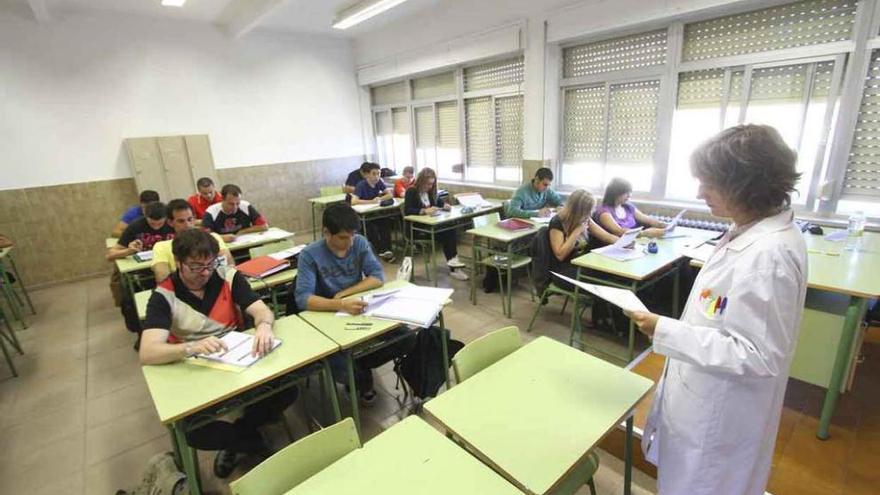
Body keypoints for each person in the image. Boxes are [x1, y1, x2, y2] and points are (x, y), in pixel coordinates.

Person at [628, 125, 807, 495]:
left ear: (744, 184)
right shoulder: (749, 234)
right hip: (702, 403)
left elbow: (757, 354)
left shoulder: (768, 256)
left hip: (719, 426)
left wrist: (664, 330)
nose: (699, 192)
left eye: (708, 182)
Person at [140, 229, 297, 478]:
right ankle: (249, 442)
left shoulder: (227, 276)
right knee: (193, 431)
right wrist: (190, 347)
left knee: (288, 388)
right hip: (197, 366)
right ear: (179, 262)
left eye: (209, 264)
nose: (204, 272)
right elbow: (148, 352)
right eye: (195, 267)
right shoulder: (164, 295)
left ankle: (242, 433)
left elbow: (261, 310)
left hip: (237, 356)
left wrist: (264, 325)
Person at [294, 203, 413, 405]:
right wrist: (340, 304)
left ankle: (361, 365)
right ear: (326, 233)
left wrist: (344, 295)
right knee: (343, 367)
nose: (349, 242)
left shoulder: (358, 242)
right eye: (342, 237)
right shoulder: (310, 254)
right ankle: (358, 377)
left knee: (406, 338)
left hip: (358, 308)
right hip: (328, 318)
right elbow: (303, 299)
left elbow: (377, 277)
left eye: (352, 235)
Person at [404, 167, 468, 281]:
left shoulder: (431, 192)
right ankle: (453, 264)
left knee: (450, 229)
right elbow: (407, 210)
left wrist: (445, 205)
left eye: (432, 184)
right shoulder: (411, 191)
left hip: (430, 227)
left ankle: (453, 264)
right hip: (416, 230)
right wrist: (423, 211)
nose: (429, 187)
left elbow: (438, 202)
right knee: (448, 232)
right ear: (421, 181)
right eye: (428, 184)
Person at [546, 190, 617, 291]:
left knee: (610, 278)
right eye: (588, 210)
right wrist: (577, 231)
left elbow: (606, 236)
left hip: (580, 263)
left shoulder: (584, 218)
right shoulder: (557, 222)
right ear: (578, 210)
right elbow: (560, 255)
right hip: (563, 271)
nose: (590, 213)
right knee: (603, 285)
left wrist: (624, 242)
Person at [151, 199, 234, 283]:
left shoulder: (213, 237)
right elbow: (162, 279)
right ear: (170, 222)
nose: (187, 225)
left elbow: (229, 266)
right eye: (181, 221)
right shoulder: (161, 247)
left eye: (190, 219)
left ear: (194, 219)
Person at [350, 162, 395, 262]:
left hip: (374, 212)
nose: (377, 176)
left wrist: (380, 199)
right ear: (367, 175)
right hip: (362, 216)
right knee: (371, 229)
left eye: (378, 173)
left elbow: (390, 194)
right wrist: (371, 201)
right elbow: (353, 201)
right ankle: (381, 250)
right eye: (374, 174)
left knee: (385, 223)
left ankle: (388, 249)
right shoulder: (361, 185)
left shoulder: (379, 182)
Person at [595, 178, 667, 238]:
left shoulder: (628, 207)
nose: (629, 195)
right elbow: (619, 231)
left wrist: (661, 224)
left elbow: (648, 220)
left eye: (630, 192)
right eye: (626, 193)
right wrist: (645, 233)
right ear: (616, 193)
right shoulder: (604, 212)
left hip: (635, 242)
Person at [106, 202, 175, 261]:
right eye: (152, 223)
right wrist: (129, 251)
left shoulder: (172, 224)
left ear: (166, 218)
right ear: (145, 216)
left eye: (160, 224)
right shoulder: (135, 226)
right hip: (142, 270)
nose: (156, 227)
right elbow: (110, 256)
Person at [202, 184, 268, 242]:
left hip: (246, 244)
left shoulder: (245, 206)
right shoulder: (211, 212)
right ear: (222, 199)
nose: (235, 207)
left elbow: (264, 226)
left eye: (238, 203)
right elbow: (205, 237)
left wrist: (242, 231)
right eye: (231, 204)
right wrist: (220, 238)